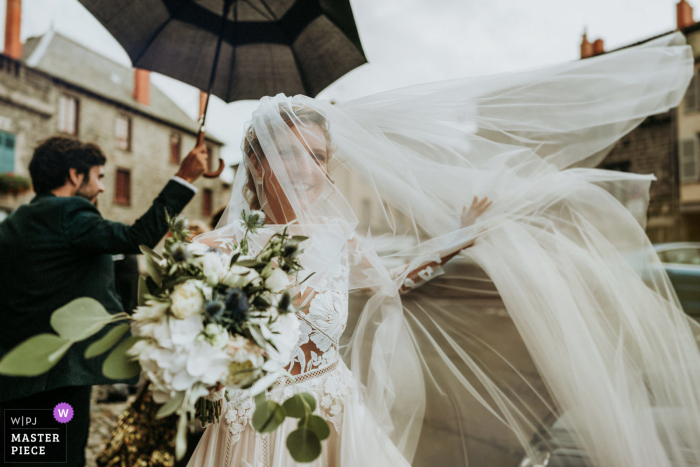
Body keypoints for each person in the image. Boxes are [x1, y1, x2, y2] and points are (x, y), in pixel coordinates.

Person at [186, 32, 700, 467]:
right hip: (249, 428)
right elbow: (192, 365)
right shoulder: (211, 252)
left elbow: (396, 280)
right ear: (256, 163)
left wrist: (459, 236)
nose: (307, 172)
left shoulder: (336, 238)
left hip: (332, 417)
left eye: (318, 158)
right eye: (290, 155)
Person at [0, 136, 209, 467]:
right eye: (98, 177)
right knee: (62, 459)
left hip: (15, 374)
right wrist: (183, 177)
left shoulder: (17, 221)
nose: (100, 188)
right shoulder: (69, 213)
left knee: (24, 456)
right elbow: (135, 238)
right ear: (74, 175)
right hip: (58, 378)